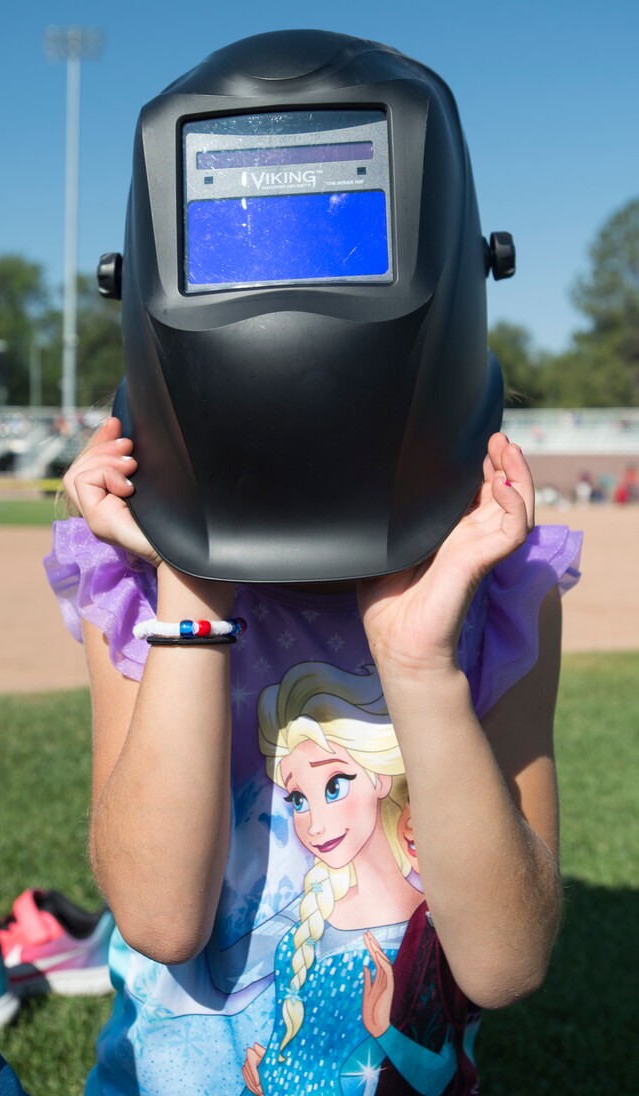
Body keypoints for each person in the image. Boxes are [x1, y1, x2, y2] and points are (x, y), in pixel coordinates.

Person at [44, 29, 583, 1096]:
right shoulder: (133, 587)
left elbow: (504, 961)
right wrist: (189, 578)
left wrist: (416, 662)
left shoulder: (495, 587)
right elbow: (159, 916)